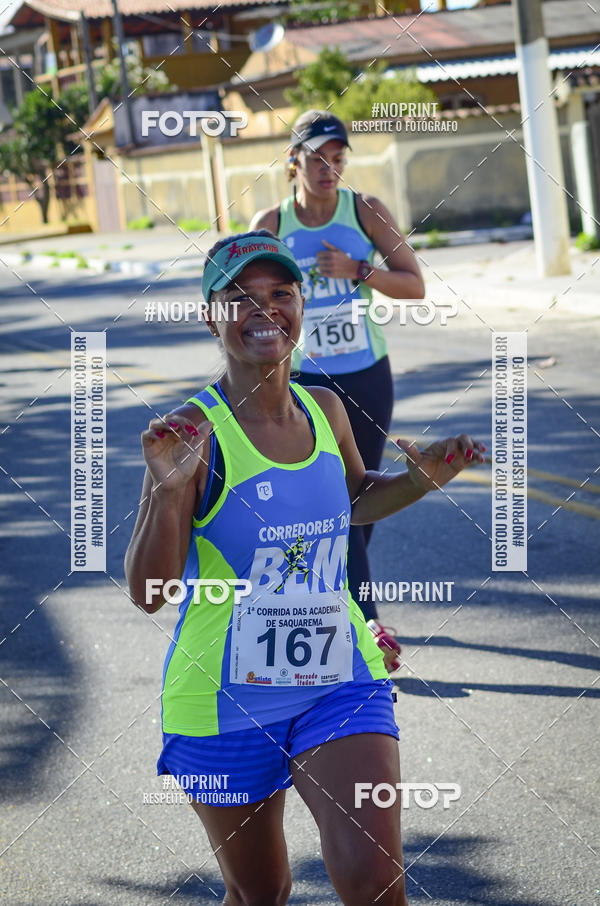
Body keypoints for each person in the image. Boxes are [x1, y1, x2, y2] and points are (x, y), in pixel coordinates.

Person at [125, 230, 485, 906]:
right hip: (223, 698)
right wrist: (170, 493)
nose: (264, 309)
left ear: (300, 306)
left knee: (375, 881)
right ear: (210, 316)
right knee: (261, 893)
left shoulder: (326, 409)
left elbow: (351, 499)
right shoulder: (188, 436)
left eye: (281, 293)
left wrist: (419, 481)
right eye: (240, 296)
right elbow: (150, 593)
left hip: (339, 677)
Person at [250, 109, 425, 665]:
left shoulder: (365, 210)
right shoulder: (272, 224)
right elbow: (248, 298)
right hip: (304, 380)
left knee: (358, 497)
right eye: (318, 158)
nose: (329, 169)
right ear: (293, 162)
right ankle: (367, 622)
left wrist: (358, 270)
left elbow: (415, 285)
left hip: (367, 375)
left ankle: (338, 601)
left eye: (338, 158)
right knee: (337, 501)